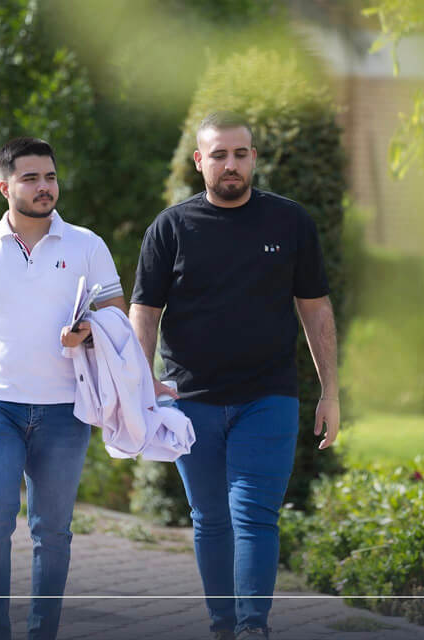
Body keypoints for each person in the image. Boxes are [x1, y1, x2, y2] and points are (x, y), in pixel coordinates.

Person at [129, 112, 340, 640]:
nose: (230, 165)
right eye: (219, 155)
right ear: (199, 160)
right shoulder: (170, 228)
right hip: (189, 399)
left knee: (254, 515)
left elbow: (315, 309)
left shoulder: (289, 222)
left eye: (240, 154)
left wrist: (331, 392)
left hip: (268, 397)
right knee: (209, 518)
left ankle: (252, 626)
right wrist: (141, 385)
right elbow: (145, 312)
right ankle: (223, 624)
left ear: (253, 158)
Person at [0, 137, 125, 640]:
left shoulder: (87, 245)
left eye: (50, 176)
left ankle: (41, 632)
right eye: (30, 178)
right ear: (4, 187)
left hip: (65, 410)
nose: (44, 187)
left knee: (52, 530)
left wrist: (88, 331)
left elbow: (116, 316)